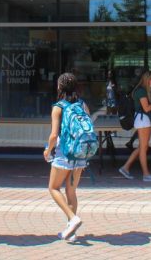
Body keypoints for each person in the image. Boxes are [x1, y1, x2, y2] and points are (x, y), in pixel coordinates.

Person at [44, 72, 88, 242]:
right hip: (80, 152)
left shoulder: (58, 107)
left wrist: (48, 151)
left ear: (59, 87)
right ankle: (71, 231)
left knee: (53, 188)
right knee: (71, 191)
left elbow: (54, 135)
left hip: (64, 153)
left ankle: (73, 218)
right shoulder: (83, 105)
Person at [118, 70, 151, 182]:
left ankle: (125, 168)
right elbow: (147, 108)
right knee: (143, 148)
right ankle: (146, 174)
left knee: (142, 147)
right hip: (143, 120)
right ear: (148, 80)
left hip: (142, 119)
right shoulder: (141, 91)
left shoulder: (141, 90)